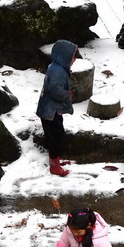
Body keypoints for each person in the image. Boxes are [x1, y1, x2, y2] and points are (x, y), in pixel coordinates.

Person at [36, 38, 77, 177]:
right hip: (50, 111)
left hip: (52, 111)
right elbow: (54, 89)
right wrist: (67, 95)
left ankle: (56, 160)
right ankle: (54, 166)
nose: (74, 60)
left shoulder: (57, 68)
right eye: (72, 57)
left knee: (57, 134)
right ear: (64, 57)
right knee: (55, 137)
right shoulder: (57, 71)